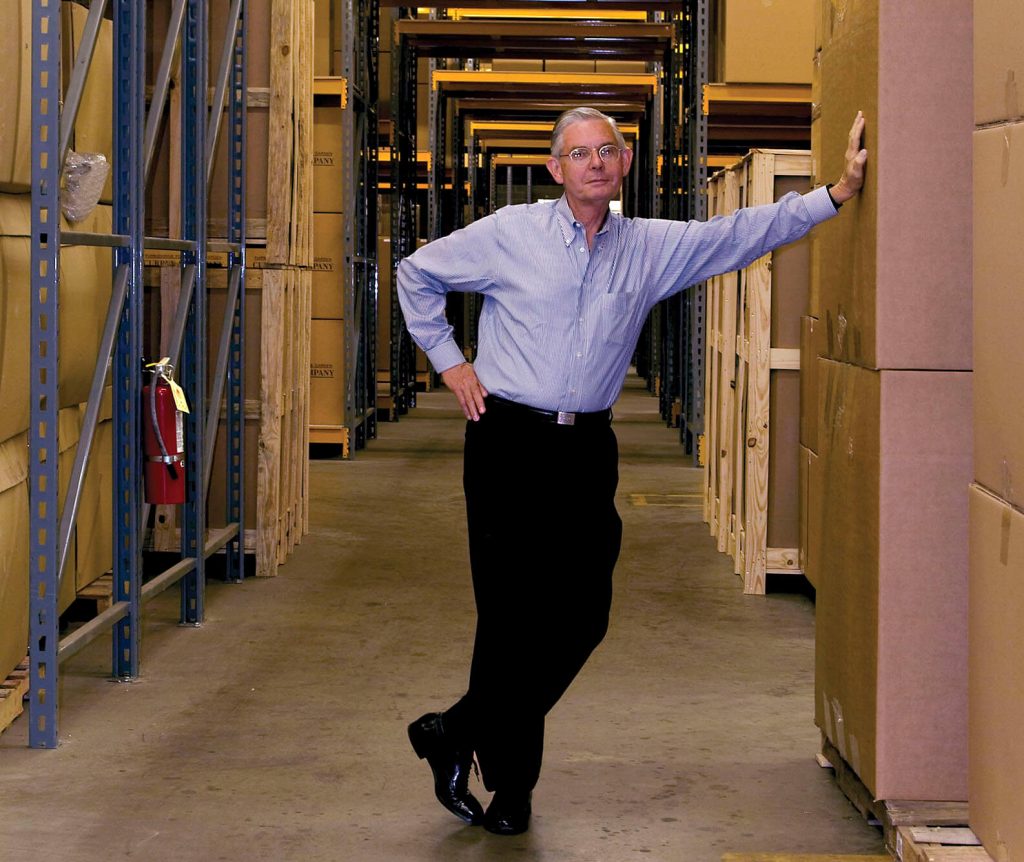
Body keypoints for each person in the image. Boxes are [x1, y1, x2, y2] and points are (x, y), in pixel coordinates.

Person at [397, 106, 868, 836]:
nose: (594, 163)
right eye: (579, 153)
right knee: (511, 620)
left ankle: (453, 730)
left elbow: (734, 236)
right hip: (508, 441)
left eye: (606, 151)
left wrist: (831, 196)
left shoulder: (647, 247)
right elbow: (415, 274)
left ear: (621, 165)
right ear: (556, 169)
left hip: (587, 447)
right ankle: (511, 792)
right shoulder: (508, 234)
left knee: (583, 615)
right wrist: (451, 362)